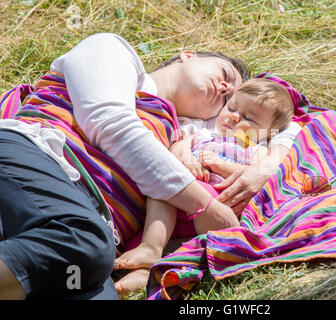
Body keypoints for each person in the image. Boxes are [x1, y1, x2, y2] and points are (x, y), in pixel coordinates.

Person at [0, 33, 296, 299]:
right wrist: (203, 205)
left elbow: (291, 124)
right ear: (189, 56)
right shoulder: (113, 50)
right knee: (81, 242)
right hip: (35, 159)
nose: (223, 88)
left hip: (88, 240)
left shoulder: (180, 134)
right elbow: (109, 122)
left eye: (228, 98)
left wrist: (265, 166)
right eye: (224, 74)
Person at [113, 78, 295, 276]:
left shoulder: (256, 150)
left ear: (267, 134)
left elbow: (253, 176)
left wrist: (221, 165)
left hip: (214, 206)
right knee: (160, 195)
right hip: (175, 206)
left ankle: (151, 255)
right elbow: (177, 149)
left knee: (182, 245)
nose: (235, 117)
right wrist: (188, 159)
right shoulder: (202, 134)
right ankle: (145, 258)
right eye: (232, 107)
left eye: (249, 119)